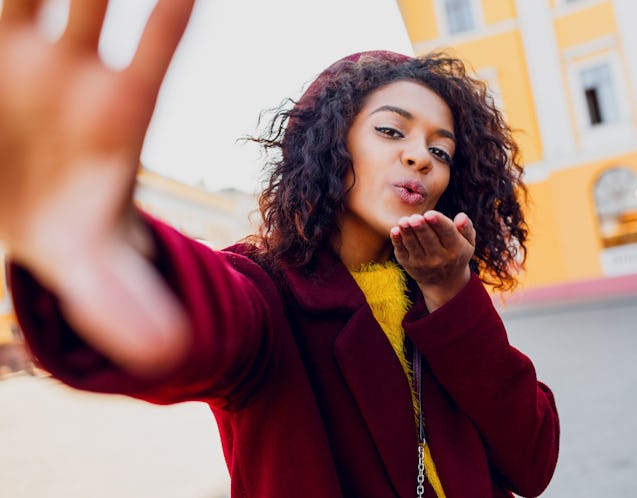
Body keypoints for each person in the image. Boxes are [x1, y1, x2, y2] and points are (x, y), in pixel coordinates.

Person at [0, 2, 559, 497]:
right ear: (330, 143)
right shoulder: (267, 290)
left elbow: (531, 463)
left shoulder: (442, 294)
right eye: (392, 131)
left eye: (442, 149)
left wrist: (452, 293)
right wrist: (100, 249)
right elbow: (210, 319)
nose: (421, 157)